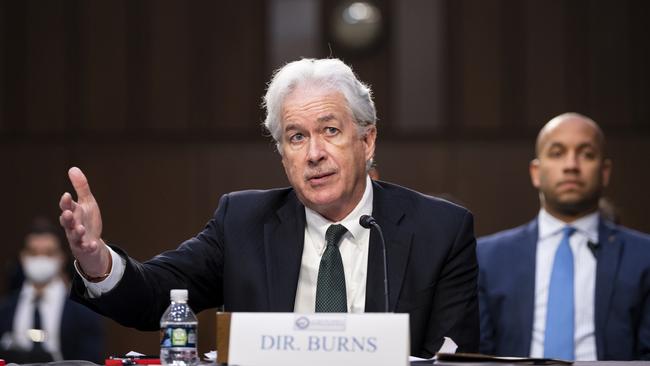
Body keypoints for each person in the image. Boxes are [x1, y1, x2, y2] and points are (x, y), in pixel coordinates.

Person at [58, 58, 479, 358]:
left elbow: (454, 354)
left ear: (366, 141)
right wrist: (98, 262)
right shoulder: (242, 222)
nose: (314, 153)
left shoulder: (439, 230)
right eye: (296, 137)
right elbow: (155, 296)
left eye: (330, 131)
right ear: (283, 156)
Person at [477, 113, 650, 360]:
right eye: (557, 153)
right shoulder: (488, 258)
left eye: (587, 154)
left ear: (605, 172)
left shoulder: (644, 257)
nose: (571, 165)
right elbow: (476, 356)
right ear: (536, 172)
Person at [0, 218, 105, 363]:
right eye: (33, 253)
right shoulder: (5, 309)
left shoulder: (84, 311)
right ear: (23, 257)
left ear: (61, 258)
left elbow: (91, 360)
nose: (40, 259)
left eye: (49, 253)